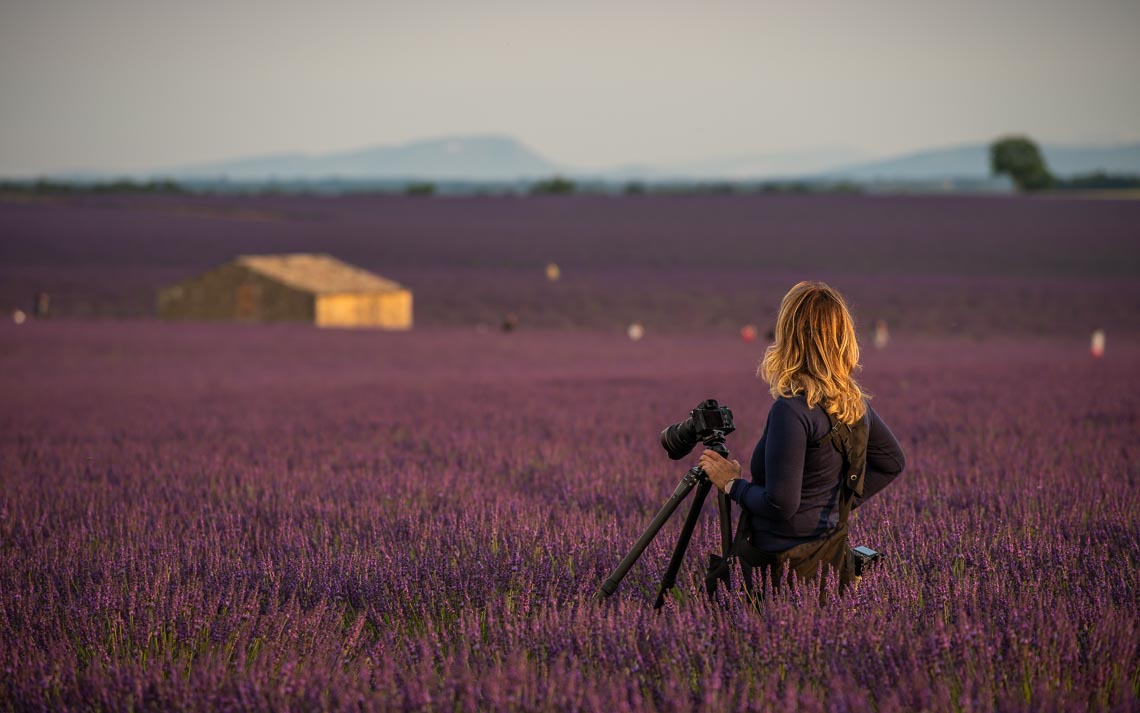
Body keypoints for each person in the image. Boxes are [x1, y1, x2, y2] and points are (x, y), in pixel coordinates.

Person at [699, 281, 905, 596]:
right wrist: (834, 505)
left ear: (790, 337)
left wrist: (732, 484)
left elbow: (780, 505)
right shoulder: (853, 403)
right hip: (829, 559)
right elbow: (892, 462)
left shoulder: (792, 409)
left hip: (779, 567)